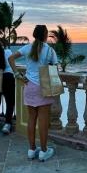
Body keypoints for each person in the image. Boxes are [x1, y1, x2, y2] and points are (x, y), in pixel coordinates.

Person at [8, 25, 58, 161]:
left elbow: (11, 59)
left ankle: (31, 149)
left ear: (34, 34)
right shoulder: (50, 51)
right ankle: (43, 150)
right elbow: (55, 68)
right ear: (45, 35)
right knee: (43, 121)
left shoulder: (27, 48)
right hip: (44, 88)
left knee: (31, 119)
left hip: (29, 85)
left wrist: (17, 74)